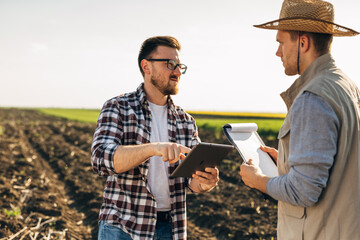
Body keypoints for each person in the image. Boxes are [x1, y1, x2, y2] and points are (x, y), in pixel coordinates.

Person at [239, 0, 360, 239]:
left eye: (282, 43)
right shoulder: (346, 86)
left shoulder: (312, 97)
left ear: (303, 43)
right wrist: (284, 161)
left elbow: (304, 190)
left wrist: (258, 180)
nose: (277, 52)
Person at [91, 36, 219, 240]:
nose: (177, 71)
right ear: (146, 66)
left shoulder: (186, 121)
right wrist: (153, 149)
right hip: (122, 227)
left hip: (170, 229)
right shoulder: (118, 107)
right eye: (170, 64)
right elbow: (101, 159)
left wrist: (203, 182)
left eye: (179, 66)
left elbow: (189, 181)